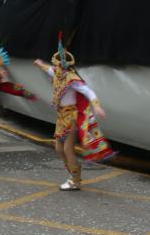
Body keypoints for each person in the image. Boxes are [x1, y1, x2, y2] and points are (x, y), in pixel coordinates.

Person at [34, 34, 114, 191]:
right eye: (56, 66)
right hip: (60, 116)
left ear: (66, 66)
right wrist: (39, 64)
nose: (57, 69)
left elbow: (88, 91)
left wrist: (96, 106)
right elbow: (47, 69)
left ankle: (75, 180)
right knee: (58, 149)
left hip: (71, 117)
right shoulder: (56, 73)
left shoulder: (71, 79)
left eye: (61, 67)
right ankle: (74, 172)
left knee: (67, 149)